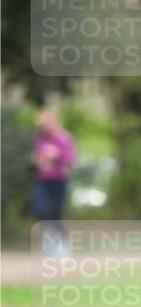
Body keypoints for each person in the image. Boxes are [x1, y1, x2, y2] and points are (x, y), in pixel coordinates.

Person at [31, 108, 76, 252]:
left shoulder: (64, 137)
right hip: (43, 179)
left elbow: (71, 159)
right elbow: (36, 157)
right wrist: (39, 160)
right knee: (39, 207)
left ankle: (60, 245)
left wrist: (56, 155)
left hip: (60, 179)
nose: (43, 127)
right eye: (41, 125)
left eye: (46, 124)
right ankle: (50, 236)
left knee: (56, 212)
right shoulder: (40, 138)